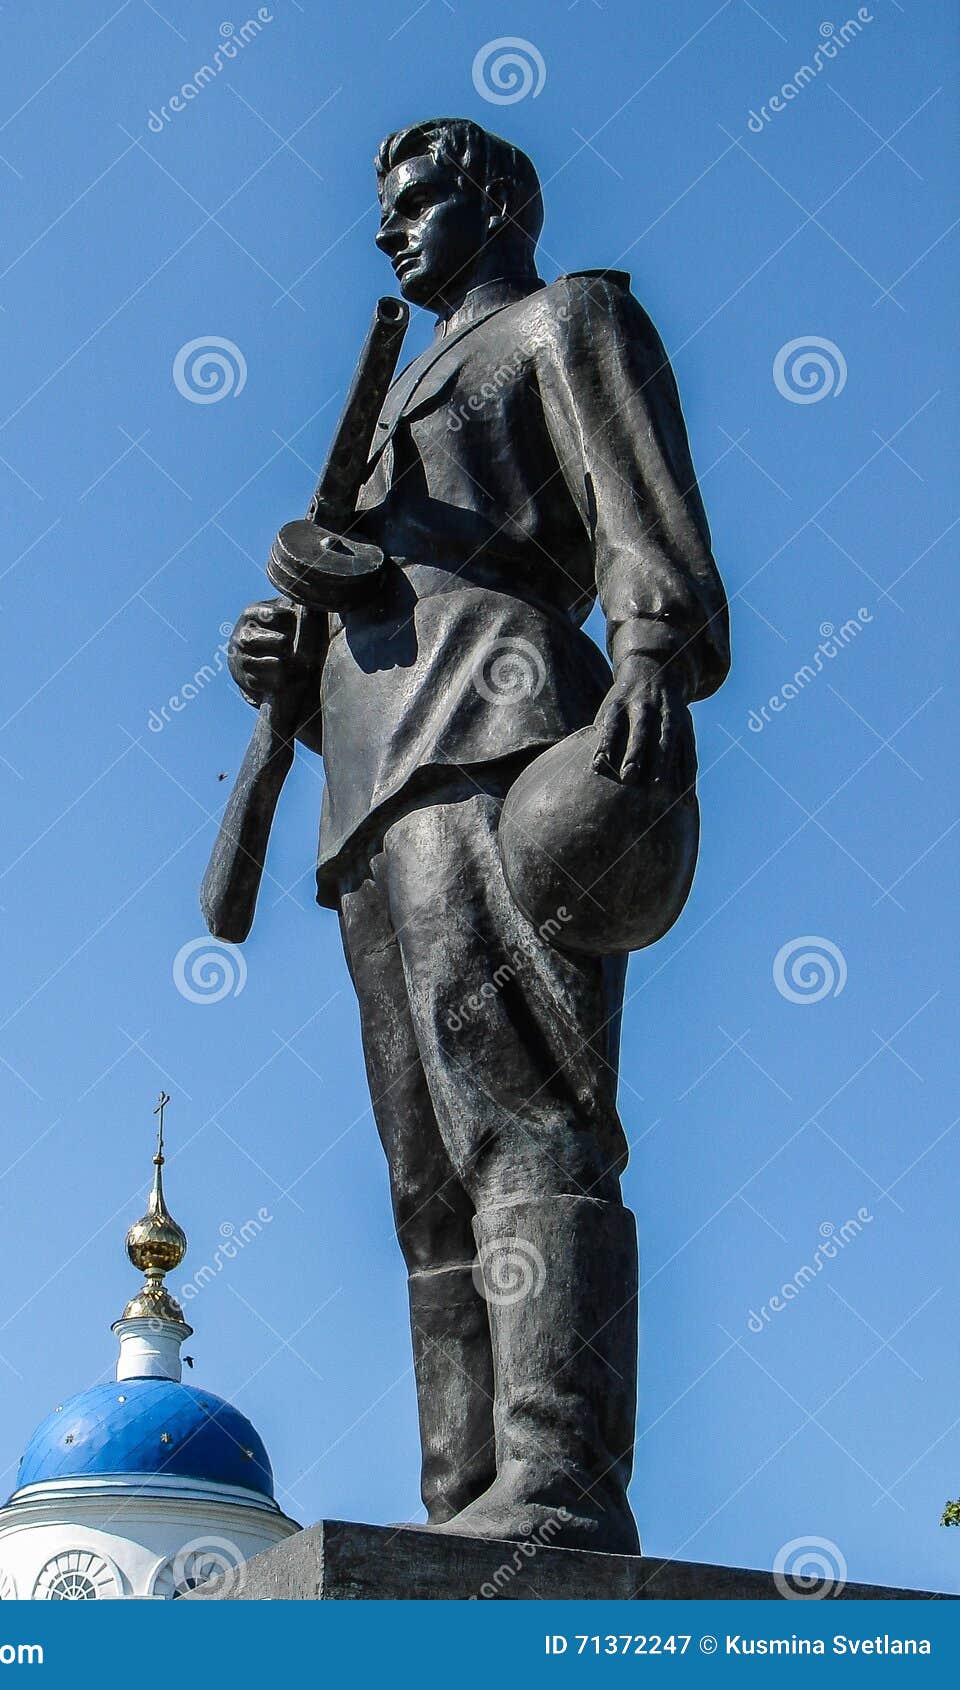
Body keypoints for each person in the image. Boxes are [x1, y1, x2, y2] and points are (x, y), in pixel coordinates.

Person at [225, 118, 729, 1551]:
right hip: (374, 777)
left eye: (419, 200)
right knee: (423, 1169)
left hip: (501, 722)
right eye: (384, 209)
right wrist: (294, 671)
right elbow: (378, 614)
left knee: (524, 1112)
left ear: (499, 199)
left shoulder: (568, 320)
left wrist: (647, 647)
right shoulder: (396, 390)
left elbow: (641, 513)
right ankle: (461, 1496)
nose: (391, 229)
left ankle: (559, 1477)